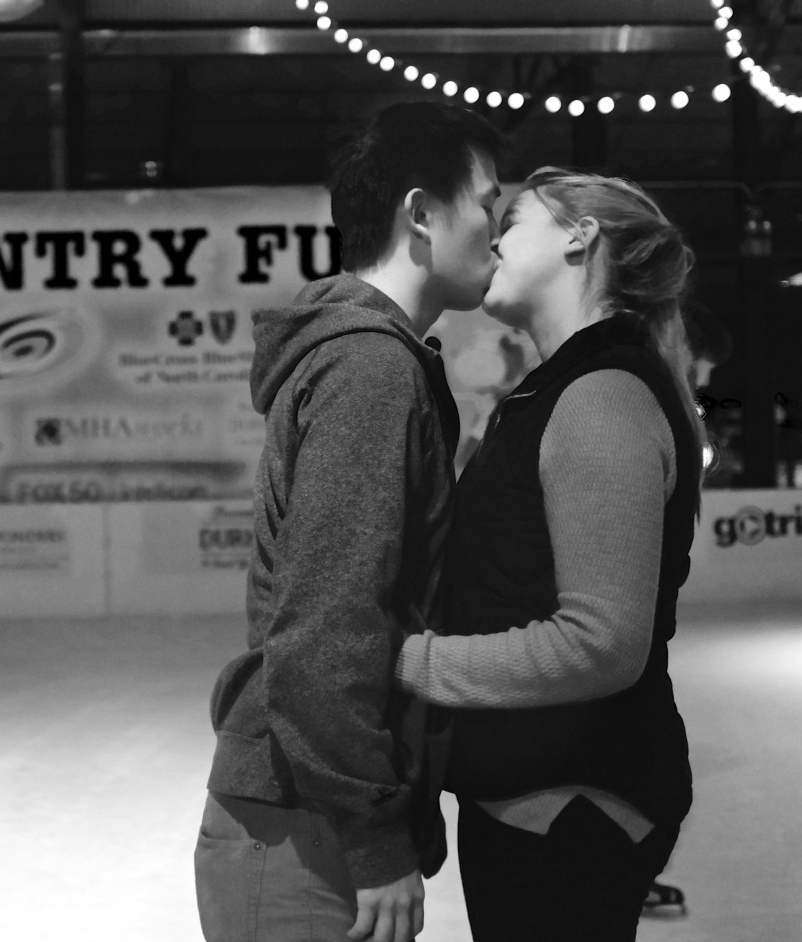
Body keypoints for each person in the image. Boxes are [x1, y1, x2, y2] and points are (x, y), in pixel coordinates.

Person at [195, 101, 506, 942]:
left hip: (307, 811)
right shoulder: (370, 368)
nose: (499, 232)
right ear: (420, 214)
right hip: (305, 825)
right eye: (488, 203)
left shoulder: (369, 355)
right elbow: (326, 627)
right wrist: (373, 840)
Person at [395, 167, 706, 941]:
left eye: (516, 218)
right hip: (536, 800)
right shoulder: (561, 389)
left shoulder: (601, 397)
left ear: (580, 235)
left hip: (575, 806)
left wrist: (402, 664)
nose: (494, 236)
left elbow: (602, 644)